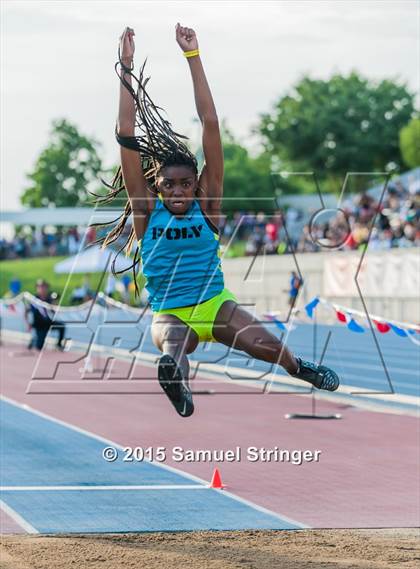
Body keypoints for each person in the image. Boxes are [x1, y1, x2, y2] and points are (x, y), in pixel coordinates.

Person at [97, 25, 339, 418]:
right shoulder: (145, 210)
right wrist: (125, 65)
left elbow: (209, 123)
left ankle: (300, 368)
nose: (176, 192)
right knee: (174, 345)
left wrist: (193, 57)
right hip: (170, 311)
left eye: (184, 184)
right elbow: (126, 133)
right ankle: (178, 384)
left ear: (196, 186)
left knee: (270, 347)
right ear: (155, 186)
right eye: (168, 185)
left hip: (215, 304)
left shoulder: (207, 205)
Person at [26, 280, 65, 351]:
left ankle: (59, 345)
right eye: (40, 287)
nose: (42, 289)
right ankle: (34, 340)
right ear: (37, 288)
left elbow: (54, 310)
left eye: (44, 287)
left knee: (61, 326)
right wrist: (28, 323)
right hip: (39, 324)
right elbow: (26, 311)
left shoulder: (49, 298)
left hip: (48, 322)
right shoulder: (34, 299)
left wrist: (55, 304)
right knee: (39, 347)